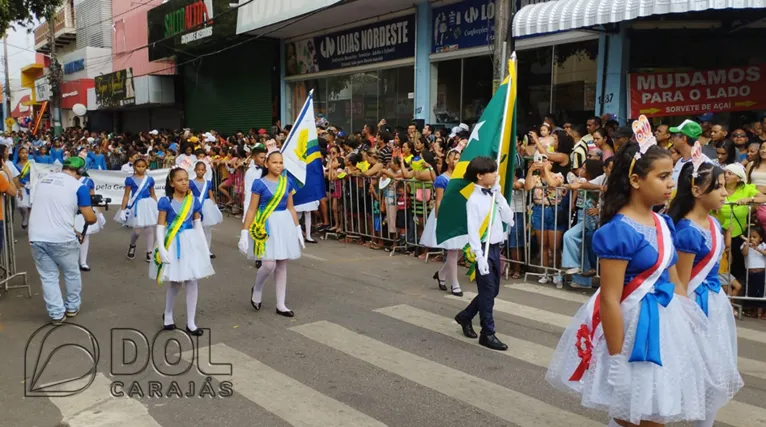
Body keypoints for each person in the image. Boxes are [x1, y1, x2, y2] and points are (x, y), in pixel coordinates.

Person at [545, 125, 715, 426]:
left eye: (671, 176)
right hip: (631, 328)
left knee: (654, 413)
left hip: (664, 327)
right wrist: (616, 358)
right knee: (637, 417)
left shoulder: (664, 224)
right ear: (636, 180)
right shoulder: (618, 231)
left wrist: (690, 328)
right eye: (662, 176)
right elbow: (610, 299)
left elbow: (675, 280)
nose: (670, 184)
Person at [667, 153, 743, 427]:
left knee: (713, 375)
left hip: (714, 302)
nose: (725, 192)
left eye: (725, 185)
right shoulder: (688, 230)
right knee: (698, 374)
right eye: (719, 187)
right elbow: (682, 284)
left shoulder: (712, 223)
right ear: (697, 191)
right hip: (696, 307)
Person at [453, 156, 514, 351]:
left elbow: (509, 219)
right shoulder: (474, 200)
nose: (496, 174)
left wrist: (500, 197)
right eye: (492, 171)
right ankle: (487, 333)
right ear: (480, 176)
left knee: (492, 291)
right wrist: (479, 257)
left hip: (495, 248)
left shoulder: (494, 194)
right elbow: (473, 231)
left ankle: (465, 316)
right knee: (487, 293)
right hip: (483, 250)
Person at [28, 156, 96, 325]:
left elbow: (50, 211)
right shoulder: (79, 187)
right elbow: (89, 217)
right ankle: (72, 307)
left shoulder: (43, 180)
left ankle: (56, 314)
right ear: (79, 172)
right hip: (62, 239)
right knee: (71, 273)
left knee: (48, 276)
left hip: (36, 236)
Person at [239, 150, 304, 317]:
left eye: (281, 162)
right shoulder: (259, 184)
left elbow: (290, 207)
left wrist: (297, 228)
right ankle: (258, 288)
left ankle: (281, 304)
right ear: (267, 164)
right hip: (265, 224)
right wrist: (244, 231)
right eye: (275, 162)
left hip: (284, 224)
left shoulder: (287, 182)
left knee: (282, 263)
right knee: (268, 264)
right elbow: (252, 208)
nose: (278, 165)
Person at [151, 167, 215, 336]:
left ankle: (191, 322)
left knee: (192, 280)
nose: (184, 182)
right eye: (179, 180)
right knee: (175, 281)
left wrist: (204, 247)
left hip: (190, 241)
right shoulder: (165, 201)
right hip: (173, 242)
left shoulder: (193, 201)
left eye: (186, 179)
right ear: (172, 183)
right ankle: (168, 314)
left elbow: (198, 224)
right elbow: (160, 225)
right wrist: (162, 248)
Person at [420, 149, 466, 296]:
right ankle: (455, 284)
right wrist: (439, 219)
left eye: (459, 158)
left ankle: (441, 274)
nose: (457, 160)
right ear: (447, 160)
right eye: (454, 158)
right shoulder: (442, 179)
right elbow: (439, 200)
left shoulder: (462, 178)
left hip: (459, 215)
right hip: (447, 215)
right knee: (452, 250)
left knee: (461, 250)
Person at [115, 158, 158, 262]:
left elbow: (153, 194)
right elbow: (126, 196)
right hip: (136, 206)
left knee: (149, 229)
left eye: (143, 166)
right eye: (138, 166)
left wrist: (157, 207)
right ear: (134, 167)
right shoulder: (130, 180)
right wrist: (123, 209)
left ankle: (149, 252)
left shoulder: (150, 179)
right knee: (137, 231)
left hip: (148, 205)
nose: (141, 168)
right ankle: (132, 245)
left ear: (146, 167)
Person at [73, 172, 107, 271]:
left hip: (84, 210)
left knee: (84, 235)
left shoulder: (88, 181)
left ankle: (83, 262)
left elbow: (93, 199)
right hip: (69, 210)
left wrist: (99, 213)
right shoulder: (66, 180)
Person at [190, 161, 223, 258]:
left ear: (205, 171)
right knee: (195, 228)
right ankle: (195, 249)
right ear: (195, 170)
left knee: (207, 229)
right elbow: (188, 195)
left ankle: (207, 250)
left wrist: (214, 206)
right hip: (195, 205)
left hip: (207, 206)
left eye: (202, 170)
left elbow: (210, 195)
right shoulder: (191, 182)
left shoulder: (208, 183)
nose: (200, 171)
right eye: (198, 169)